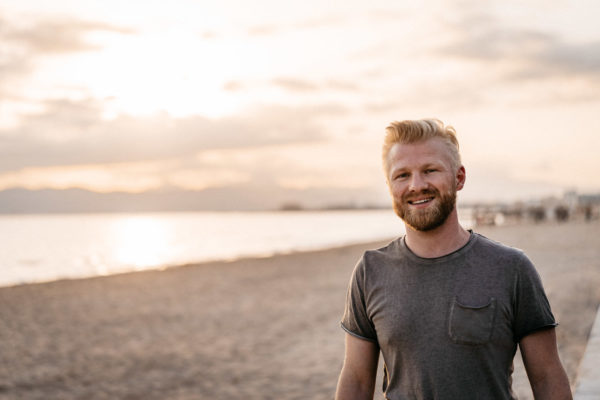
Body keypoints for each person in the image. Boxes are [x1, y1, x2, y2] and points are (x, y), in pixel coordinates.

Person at [335, 119, 572, 400]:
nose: (416, 185)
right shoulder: (370, 272)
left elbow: (546, 378)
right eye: (402, 175)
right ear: (390, 187)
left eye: (430, 170)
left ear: (459, 177)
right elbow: (357, 380)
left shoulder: (512, 268)